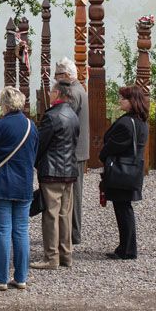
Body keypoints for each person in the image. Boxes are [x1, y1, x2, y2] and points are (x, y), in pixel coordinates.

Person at [0, 87, 38, 290]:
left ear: (4, 104)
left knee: (3, 232)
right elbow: (34, 154)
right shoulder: (31, 126)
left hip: (2, 183)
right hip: (24, 184)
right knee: (22, 231)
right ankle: (21, 277)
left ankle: (1, 278)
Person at [101, 84, 151, 261]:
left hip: (122, 170)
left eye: (123, 98)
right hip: (132, 169)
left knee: (123, 209)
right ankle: (125, 246)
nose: (120, 101)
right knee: (124, 208)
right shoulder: (141, 121)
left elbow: (112, 144)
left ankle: (127, 249)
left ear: (132, 101)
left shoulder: (126, 124)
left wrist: (103, 154)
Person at [35, 77, 81, 270]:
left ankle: (51, 256)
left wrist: (36, 162)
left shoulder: (51, 116)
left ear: (58, 94)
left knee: (51, 215)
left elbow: (40, 143)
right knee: (65, 214)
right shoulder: (73, 115)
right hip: (69, 170)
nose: (49, 94)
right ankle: (66, 254)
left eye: (52, 92)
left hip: (52, 170)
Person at [54, 59, 90, 245]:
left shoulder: (74, 93)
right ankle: (70, 231)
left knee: (74, 195)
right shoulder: (80, 89)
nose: (55, 79)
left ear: (67, 76)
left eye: (58, 76)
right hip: (77, 150)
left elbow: (65, 119)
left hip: (73, 151)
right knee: (72, 193)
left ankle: (73, 233)